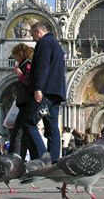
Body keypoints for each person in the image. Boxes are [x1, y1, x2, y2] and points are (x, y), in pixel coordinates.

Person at [24, 22, 66, 161]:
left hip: (45, 92)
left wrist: (38, 88)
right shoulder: (56, 45)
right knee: (52, 129)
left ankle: (44, 158)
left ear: (38, 31)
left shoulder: (44, 43)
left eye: (32, 35)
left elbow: (43, 66)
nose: (33, 38)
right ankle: (54, 162)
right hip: (56, 93)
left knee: (29, 123)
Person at [7, 43, 33, 159]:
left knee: (17, 133)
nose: (15, 58)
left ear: (21, 54)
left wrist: (19, 73)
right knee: (22, 133)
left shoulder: (27, 65)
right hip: (24, 102)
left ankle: (15, 160)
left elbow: (29, 82)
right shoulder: (24, 64)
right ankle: (19, 159)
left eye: (16, 55)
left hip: (26, 103)